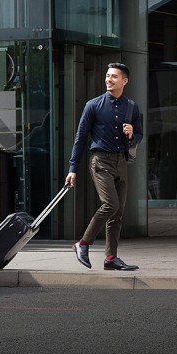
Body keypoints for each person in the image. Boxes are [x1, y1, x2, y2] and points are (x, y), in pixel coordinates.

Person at [67, 62, 144, 272]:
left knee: (118, 213)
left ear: (124, 81)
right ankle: (83, 243)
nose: (109, 79)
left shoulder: (132, 107)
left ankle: (111, 257)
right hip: (100, 161)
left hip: (121, 161)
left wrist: (132, 133)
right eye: (108, 76)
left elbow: (139, 134)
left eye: (114, 77)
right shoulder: (93, 105)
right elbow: (80, 137)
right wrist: (73, 167)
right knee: (110, 205)